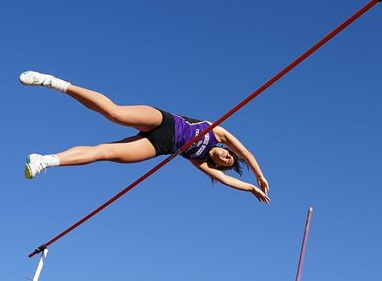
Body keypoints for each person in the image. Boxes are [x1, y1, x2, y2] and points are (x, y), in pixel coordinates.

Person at [18, 71, 270, 203]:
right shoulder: (218, 133)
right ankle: (52, 82)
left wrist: (249, 188)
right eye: (229, 155)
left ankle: (46, 160)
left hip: (159, 145)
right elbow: (245, 153)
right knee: (114, 113)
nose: (227, 157)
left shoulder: (201, 161)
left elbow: (227, 182)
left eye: (225, 162)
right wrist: (258, 175)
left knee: (104, 152)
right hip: (164, 121)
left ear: (217, 165)